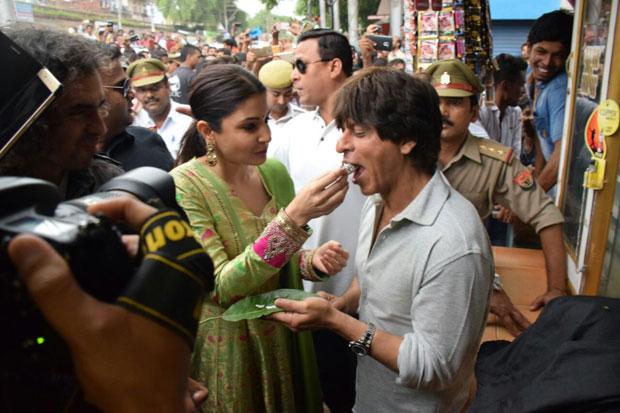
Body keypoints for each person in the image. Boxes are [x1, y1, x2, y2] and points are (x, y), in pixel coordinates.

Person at [1, 28, 207, 412]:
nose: (98, 127)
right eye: (78, 112)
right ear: (29, 119)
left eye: (99, 107)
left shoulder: (114, 189)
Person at [270, 67, 494, 412]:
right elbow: (374, 276)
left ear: (407, 140)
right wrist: (344, 303)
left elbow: (436, 368)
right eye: (343, 130)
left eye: (358, 132)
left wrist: (336, 322)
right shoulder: (376, 204)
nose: (341, 144)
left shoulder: (453, 243)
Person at [170, 64, 350, 412]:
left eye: (266, 120)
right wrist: (294, 217)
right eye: (250, 127)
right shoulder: (183, 187)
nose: (266, 135)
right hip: (229, 350)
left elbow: (275, 256)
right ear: (208, 131)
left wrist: (311, 262)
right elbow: (222, 286)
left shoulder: (272, 172)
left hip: (283, 338)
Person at [426, 59, 567, 336]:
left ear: (475, 112)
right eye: (436, 102)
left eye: (454, 103)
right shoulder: (403, 153)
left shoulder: (495, 161)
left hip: (465, 280)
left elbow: (546, 216)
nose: (442, 111)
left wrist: (557, 290)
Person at [269, 28, 364, 412]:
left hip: (368, 296)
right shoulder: (289, 135)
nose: (293, 75)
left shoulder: (372, 130)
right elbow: (276, 212)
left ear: (335, 66)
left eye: (301, 65)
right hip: (310, 299)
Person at [96, 44, 174, 171]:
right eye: (123, 86)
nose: (131, 95)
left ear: (167, 86)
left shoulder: (149, 143)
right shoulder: (62, 162)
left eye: (155, 88)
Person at [526, 10, 574, 195]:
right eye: (541, 52)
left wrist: (530, 199)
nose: (547, 62)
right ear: (529, 48)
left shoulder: (557, 90)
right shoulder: (534, 82)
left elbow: (562, 153)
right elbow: (541, 138)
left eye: (558, 55)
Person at [129, 58, 193, 159]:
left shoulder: (189, 118)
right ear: (135, 93)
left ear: (168, 87)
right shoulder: (132, 122)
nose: (149, 95)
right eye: (142, 90)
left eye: (155, 88)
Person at [258, 59, 305, 155]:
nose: (282, 101)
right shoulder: (254, 121)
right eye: (276, 94)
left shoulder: (303, 118)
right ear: (263, 91)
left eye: (287, 94)